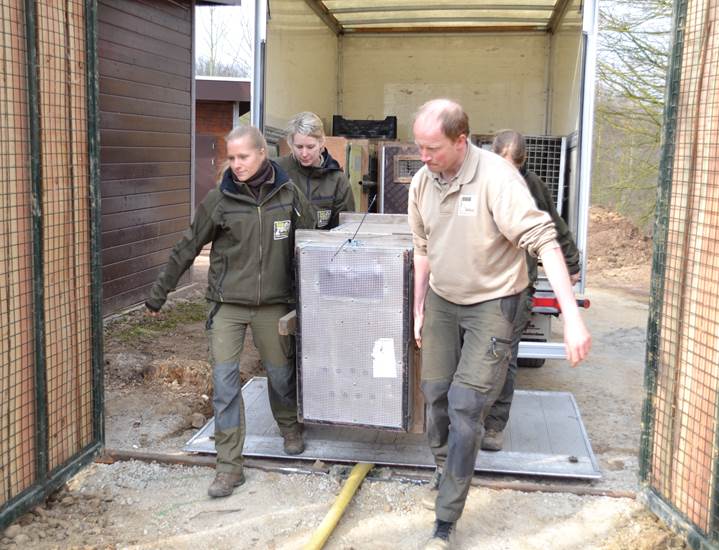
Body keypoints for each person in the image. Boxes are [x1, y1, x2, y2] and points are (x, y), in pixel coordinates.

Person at [407, 99, 591, 549]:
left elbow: (545, 240)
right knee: (433, 394)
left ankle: (446, 518)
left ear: (461, 141)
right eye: (419, 147)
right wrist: (418, 308)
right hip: (444, 300)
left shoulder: (497, 178)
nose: (423, 157)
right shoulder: (421, 182)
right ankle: (444, 463)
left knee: (467, 406)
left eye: (432, 148)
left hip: (495, 301)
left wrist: (571, 319)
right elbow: (423, 249)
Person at [145, 125, 315, 498]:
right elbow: (186, 246)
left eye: (243, 157)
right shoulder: (218, 201)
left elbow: (310, 243)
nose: (236, 165)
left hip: (274, 305)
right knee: (224, 385)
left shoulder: (288, 195)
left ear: (262, 154)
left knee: (280, 374)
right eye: (231, 157)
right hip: (227, 306)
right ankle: (229, 466)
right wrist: (159, 295)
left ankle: (289, 427)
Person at [481, 130, 582, 451]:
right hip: (479, 283)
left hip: (516, 283)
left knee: (505, 356)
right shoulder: (478, 179)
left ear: (523, 165)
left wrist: (571, 263)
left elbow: (553, 224)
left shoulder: (532, 185)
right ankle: (467, 420)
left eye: (515, 167)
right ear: (492, 155)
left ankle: (494, 426)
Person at [274, 111, 355, 229]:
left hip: (321, 245)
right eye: (299, 147)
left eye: (310, 147)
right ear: (290, 143)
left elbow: (346, 227)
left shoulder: (337, 180)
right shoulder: (277, 171)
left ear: (321, 142)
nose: (304, 153)